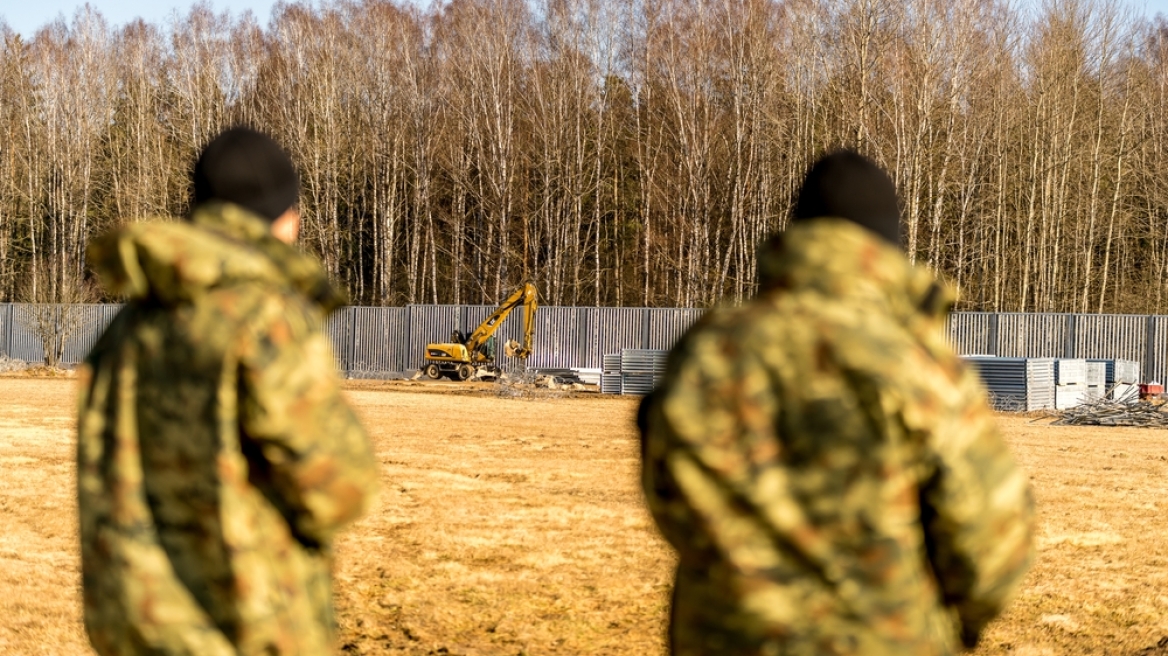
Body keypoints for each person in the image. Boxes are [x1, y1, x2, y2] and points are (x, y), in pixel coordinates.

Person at [638, 150, 1035, 655]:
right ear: (886, 247)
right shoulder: (914, 361)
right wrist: (949, 625)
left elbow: (667, 499)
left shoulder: (709, 349)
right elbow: (991, 545)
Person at [77, 127, 380, 655]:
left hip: (139, 628)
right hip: (244, 625)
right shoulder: (263, 316)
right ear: (285, 216)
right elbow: (339, 490)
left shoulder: (128, 325)